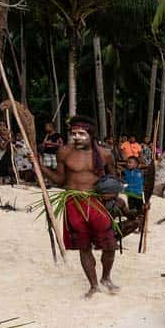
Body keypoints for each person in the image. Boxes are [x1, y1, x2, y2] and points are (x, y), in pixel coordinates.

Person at [36, 115, 120, 298]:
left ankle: (106, 277)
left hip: (97, 202)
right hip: (73, 203)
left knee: (109, 245)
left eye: (81, 133)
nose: (77, 137)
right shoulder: (64, 152)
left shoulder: (105, 154)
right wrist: (40, 165)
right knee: (84, 246)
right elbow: (59, 180)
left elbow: (114, 180)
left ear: (91, 134)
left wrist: (113, 195)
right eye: (74, 133)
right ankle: (93, 285)